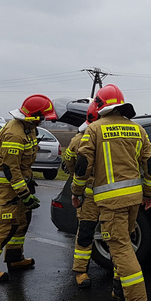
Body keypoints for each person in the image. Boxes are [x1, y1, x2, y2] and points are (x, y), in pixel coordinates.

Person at [72, 84, 151, 301]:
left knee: (119, 247)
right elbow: (150, 165)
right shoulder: (138, 130)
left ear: (99, 105)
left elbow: (82, 167)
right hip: (133, 200)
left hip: (110, 202)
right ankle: (119, 290)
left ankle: (134, 300)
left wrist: (76, 192)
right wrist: (149, 194)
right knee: (125, 242)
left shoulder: (94, 130)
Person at [0, 94, 57, 282]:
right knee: (7, 225)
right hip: (6, 186)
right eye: (42, 117)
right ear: (34, 116)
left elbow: (23, 164)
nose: (44, 120)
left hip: (19, 183)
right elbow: (10, 169)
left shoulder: (28, 129)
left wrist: (28, 182)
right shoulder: (15, 133)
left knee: (22, 222)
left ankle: (14, 258)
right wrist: (24, 193)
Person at [63, 100, 102, 288]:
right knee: (86, 232)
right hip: (91, 196)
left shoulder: (81, 137)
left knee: (89, 232)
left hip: (102, 195)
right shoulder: (81, 139)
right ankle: (80, 270)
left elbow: (68, 160)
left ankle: (82, 272)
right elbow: (72, 161)